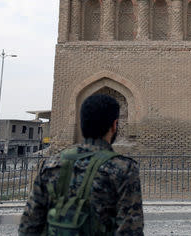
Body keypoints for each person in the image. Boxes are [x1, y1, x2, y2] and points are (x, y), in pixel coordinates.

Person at [18, 94, 144, 235]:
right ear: (114, 125)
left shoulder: (51, 165)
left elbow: (29, 226)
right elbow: (130, 230)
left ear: (82, 124)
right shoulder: (123, 169)